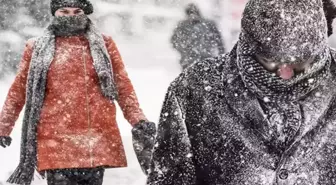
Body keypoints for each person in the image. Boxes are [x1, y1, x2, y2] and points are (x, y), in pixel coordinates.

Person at [147, 0, 336, 184]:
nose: (285, 74)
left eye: (300, 62)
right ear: (249, 45)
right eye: (271, 60)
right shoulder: (194, 89)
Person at [0, 0, 156, 184]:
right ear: (55, 13)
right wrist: (4, 126)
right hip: (55, 141)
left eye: (77, 11)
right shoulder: (36, 48)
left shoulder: (104, 44)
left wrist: (138, 119)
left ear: (85, 12)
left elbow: (122, 86)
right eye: (64, 11)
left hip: (95, 140)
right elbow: (18, 90)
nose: (71, 16)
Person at [171, 3, 225, 70]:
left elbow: (174, 41)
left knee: (191, 79)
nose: (192, 16)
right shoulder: (209, 24)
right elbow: (219, 42)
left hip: (192, 60)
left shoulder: (182, 25)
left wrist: (184, 50)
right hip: (203, 60)